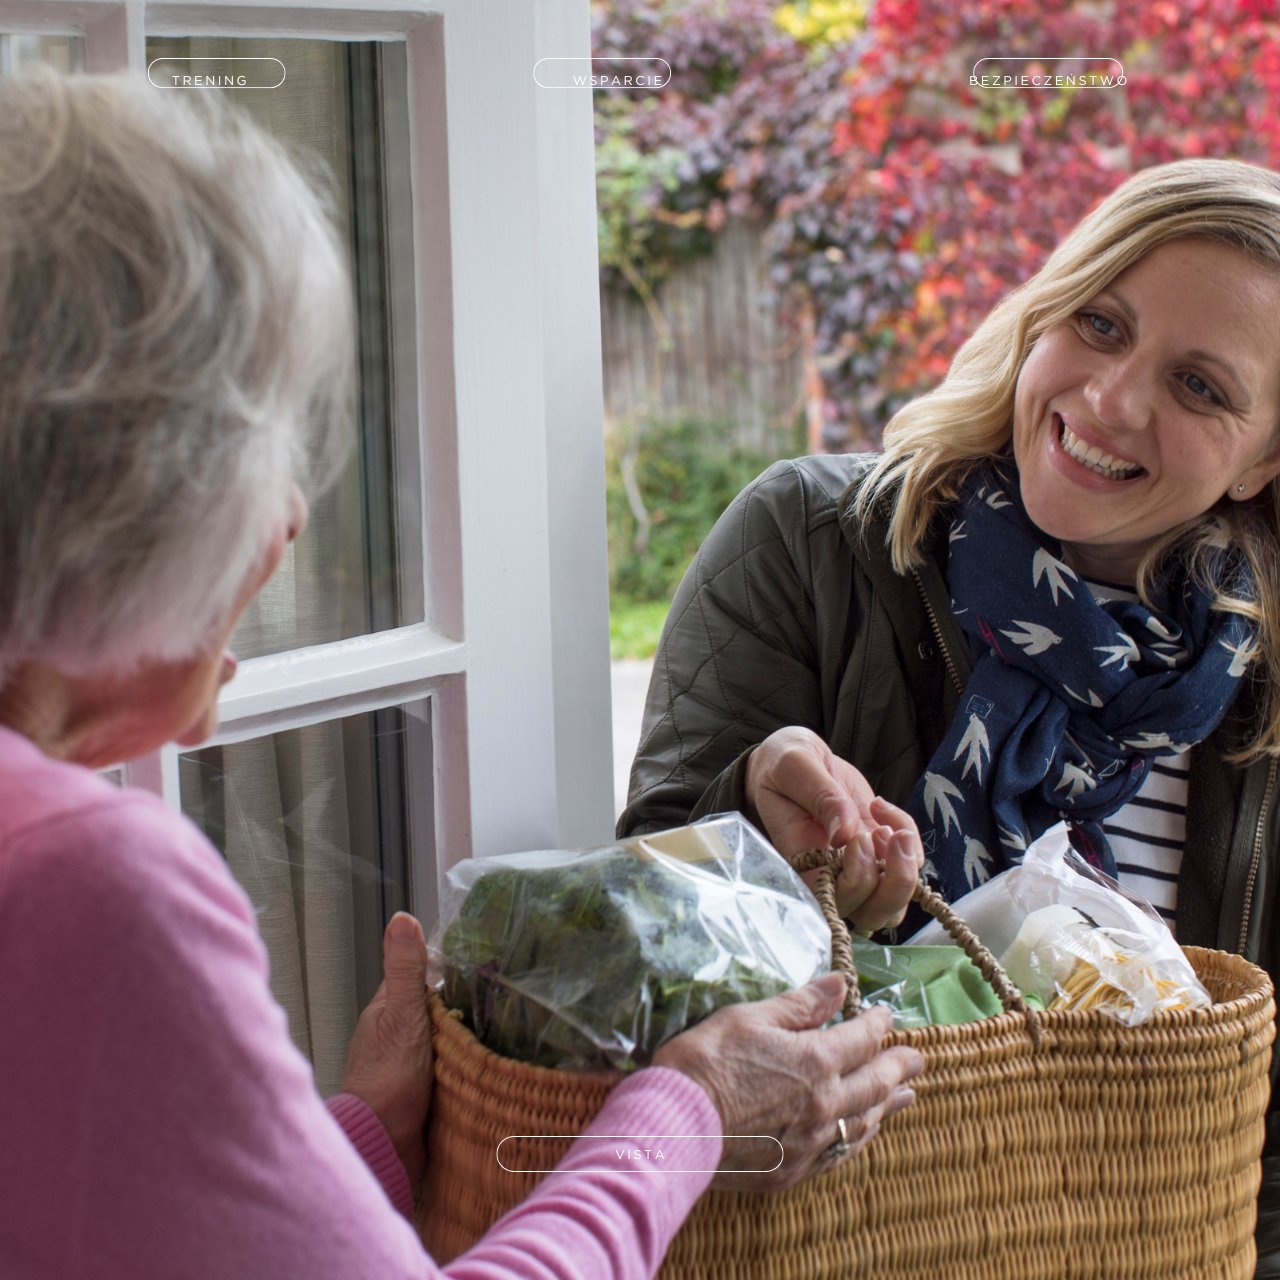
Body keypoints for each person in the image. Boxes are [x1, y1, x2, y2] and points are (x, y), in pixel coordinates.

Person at [0, 70, 923, 1280]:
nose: (287, 519)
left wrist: (357, 1139)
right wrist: (685, 1109)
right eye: (269, 434)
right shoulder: (82, 880)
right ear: (122, 497)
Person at [619, 157, 1280, 1274]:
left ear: (1263, 458)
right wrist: (757, 833)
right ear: (1040, 317)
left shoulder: (1257, 681)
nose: (1111, 400)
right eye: (1100, 322)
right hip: (842, 1241)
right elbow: (631, 955)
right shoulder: (809, 543)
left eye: (1200, 387)